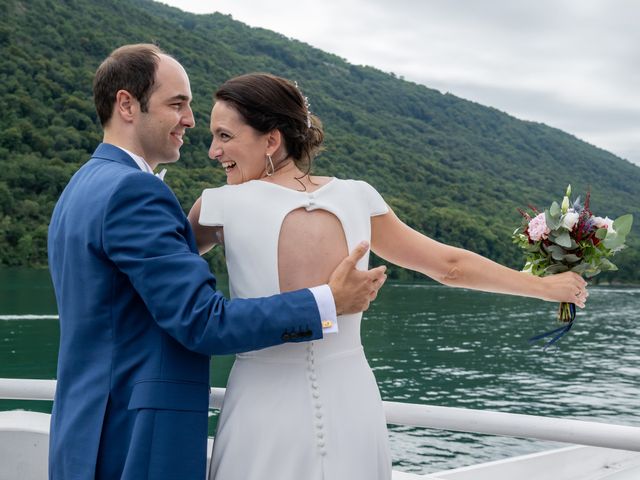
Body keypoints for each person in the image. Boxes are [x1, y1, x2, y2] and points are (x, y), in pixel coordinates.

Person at [188, 73, 589, 480]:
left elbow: (167, 268)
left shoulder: (218, 206)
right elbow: (449, 266)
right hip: (351, 400)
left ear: (271, 140)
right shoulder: (358, 196)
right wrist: (543, 286)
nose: (212, 151)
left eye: (223, 136)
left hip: (261, 405)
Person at [47, 45, 387, 480]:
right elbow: (203, 322)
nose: (189, 120)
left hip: (86, 429)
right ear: (127, 104)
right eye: (178, 104)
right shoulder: (136, 192)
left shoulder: (82, 186)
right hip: (135, 437)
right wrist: (327, 301)